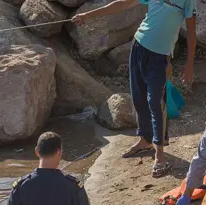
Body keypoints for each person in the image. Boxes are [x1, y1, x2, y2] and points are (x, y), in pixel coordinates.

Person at [72, 0, 197, 178]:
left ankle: (160, 154)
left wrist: (189, 64)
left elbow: (191, 33)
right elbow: (122, 4)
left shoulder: (187, 1)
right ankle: (145, 140)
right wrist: (88, 15)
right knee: (138, 99)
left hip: (160, 58)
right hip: (139, 47)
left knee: (155, 101)